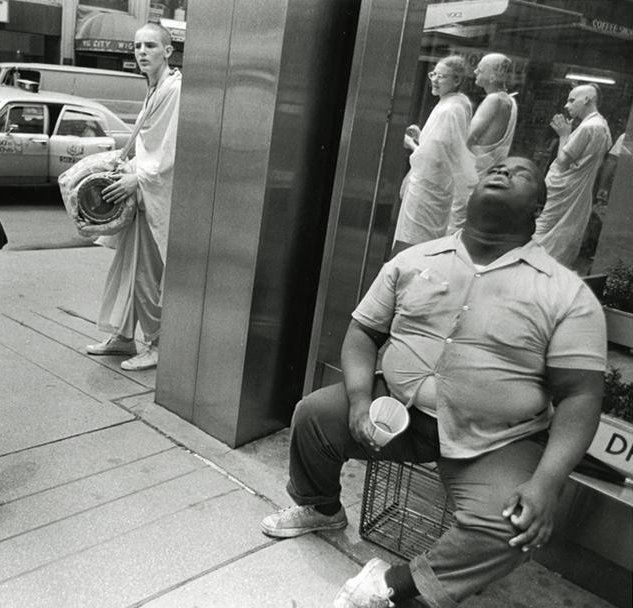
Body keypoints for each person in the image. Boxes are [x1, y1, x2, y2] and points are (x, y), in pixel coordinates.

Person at [260, 157, 606, 608]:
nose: (501, 172)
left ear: (538, 204)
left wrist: (547, 481)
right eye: (494, 168)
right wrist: (361, 401)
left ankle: (397, 586)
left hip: (496, 440)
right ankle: (322, 508)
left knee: (513, 526)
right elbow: (364, 333)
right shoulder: (414, 259)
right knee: (313, 416)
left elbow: (581, 394)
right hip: (396, 411)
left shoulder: (566, 293)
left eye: (519, 173)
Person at [84, 23, 182, 371]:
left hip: (155, 196)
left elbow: (170, 151)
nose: (142, 51)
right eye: (138, 45)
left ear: (167, 52)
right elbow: (148, 144)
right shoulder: (154, 89)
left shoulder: (174, 90)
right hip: (142, 192)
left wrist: (136, 179)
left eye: (150, 45)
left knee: (147, 275)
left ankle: (157, 344)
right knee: (127, 268)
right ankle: (123, 337)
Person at [394, 56, 476, 254]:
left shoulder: (451, 109)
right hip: (436, 184)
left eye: (441, 76)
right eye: (433, 74)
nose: (435, 80)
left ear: (456, 80)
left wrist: (412, 145)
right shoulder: (455, 104)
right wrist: (423, 136)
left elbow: (435, 156)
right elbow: (445, 145)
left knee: (414, 242)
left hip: (428, 186)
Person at [534, 84, 612, 268]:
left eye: (571, 100)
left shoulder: (589, 127)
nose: (567, 105)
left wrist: (563, 135)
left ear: (587, 100)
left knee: (543, 231)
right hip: (573, 190)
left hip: (564, 191)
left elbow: (562, 162)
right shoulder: (601, 125)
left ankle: (537, 267)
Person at [448, 53, 517, 233]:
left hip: (473, 173)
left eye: (481, 68)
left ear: (493, 76)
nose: (476, 71)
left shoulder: (494, 99)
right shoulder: (510, 101)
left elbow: (469, 138)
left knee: (456, 225)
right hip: (486, 172)